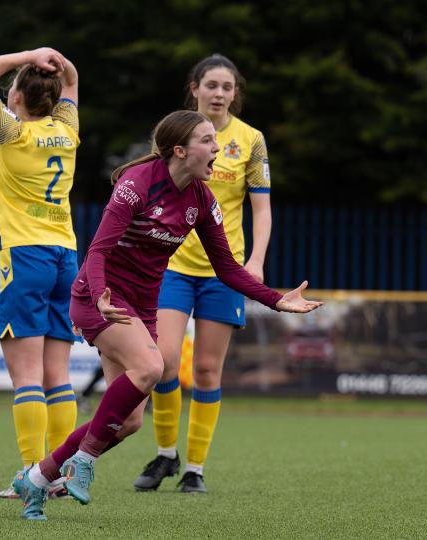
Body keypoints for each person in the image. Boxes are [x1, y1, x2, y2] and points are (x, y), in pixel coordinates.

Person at [11, 110, 322, 520]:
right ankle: (82, 463)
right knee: (153, 366)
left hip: (140, 307)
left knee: (127, 423)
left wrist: (276, 300)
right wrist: (102, 296)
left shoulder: (202, 199)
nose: (217, 150)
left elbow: (227, 268)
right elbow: (99, 251)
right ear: (180, 150)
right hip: (98, 296)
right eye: (208, 142)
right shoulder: (135, 185)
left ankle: (36, 477)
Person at [133, 54, 272, 494]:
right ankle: (165, 455)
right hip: (171, 264)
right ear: (194, 88)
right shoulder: (176, 133)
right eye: (211, 85)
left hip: (222, 271)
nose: (219, 93)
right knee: (164, 361)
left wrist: (257, 262)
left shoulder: (251, 140)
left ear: (235, 93)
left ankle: (195, 468)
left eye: (227, 87)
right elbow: (150, 186)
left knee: (209, 371)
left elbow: (262, 208)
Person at [0, 48, 80, 499]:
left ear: (15, 96)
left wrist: (32, 55)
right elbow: (71, 81)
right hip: (64, 256)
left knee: (27, 377)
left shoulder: (12, 133)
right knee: (59, 376)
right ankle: (62, 476)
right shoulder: (68, 132)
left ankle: (31, 475)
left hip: (23, 255)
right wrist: (60, 66)